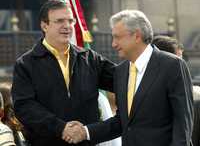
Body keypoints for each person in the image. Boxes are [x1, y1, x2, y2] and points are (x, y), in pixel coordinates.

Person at [65, 10, 194, 146]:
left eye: (117, 37)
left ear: (136, 36)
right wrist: (85, 132)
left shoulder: (173, 65)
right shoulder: (121, 71)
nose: (113, 44)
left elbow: (183, 122)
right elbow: (122, 122)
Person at [11, 0, 115, 146]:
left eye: (70, 21)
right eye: (60, 21)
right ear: (44, 25)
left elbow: (123, 80)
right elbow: (24, 107)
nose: (67, 26)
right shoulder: (26, 64)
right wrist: (61, 128)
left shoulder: (90, 58)